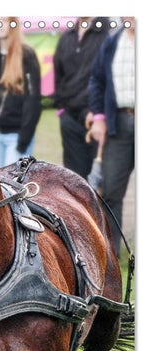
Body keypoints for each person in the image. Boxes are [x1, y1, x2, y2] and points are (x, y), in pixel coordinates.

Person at [87, 17, 135, 255]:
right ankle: (111, 254)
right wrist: (98, 116)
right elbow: (97, 80)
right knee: (111, 191)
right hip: (119, 123)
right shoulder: (113, 41)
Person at [0, 17, 41, 169]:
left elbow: (33, 100)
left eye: (4, 20)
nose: (0, 25)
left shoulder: (27, 54)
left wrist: (24, 140)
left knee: (12, 188)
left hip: (16, 136)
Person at [53, 17, 109, 178]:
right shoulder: (67, 36)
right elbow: (59, 74)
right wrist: (62, 109)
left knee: (103, 188)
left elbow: (109, 79)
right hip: (70, 118)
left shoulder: (108, 34)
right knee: (74, 183)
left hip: (98, 120)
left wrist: (98, 112)